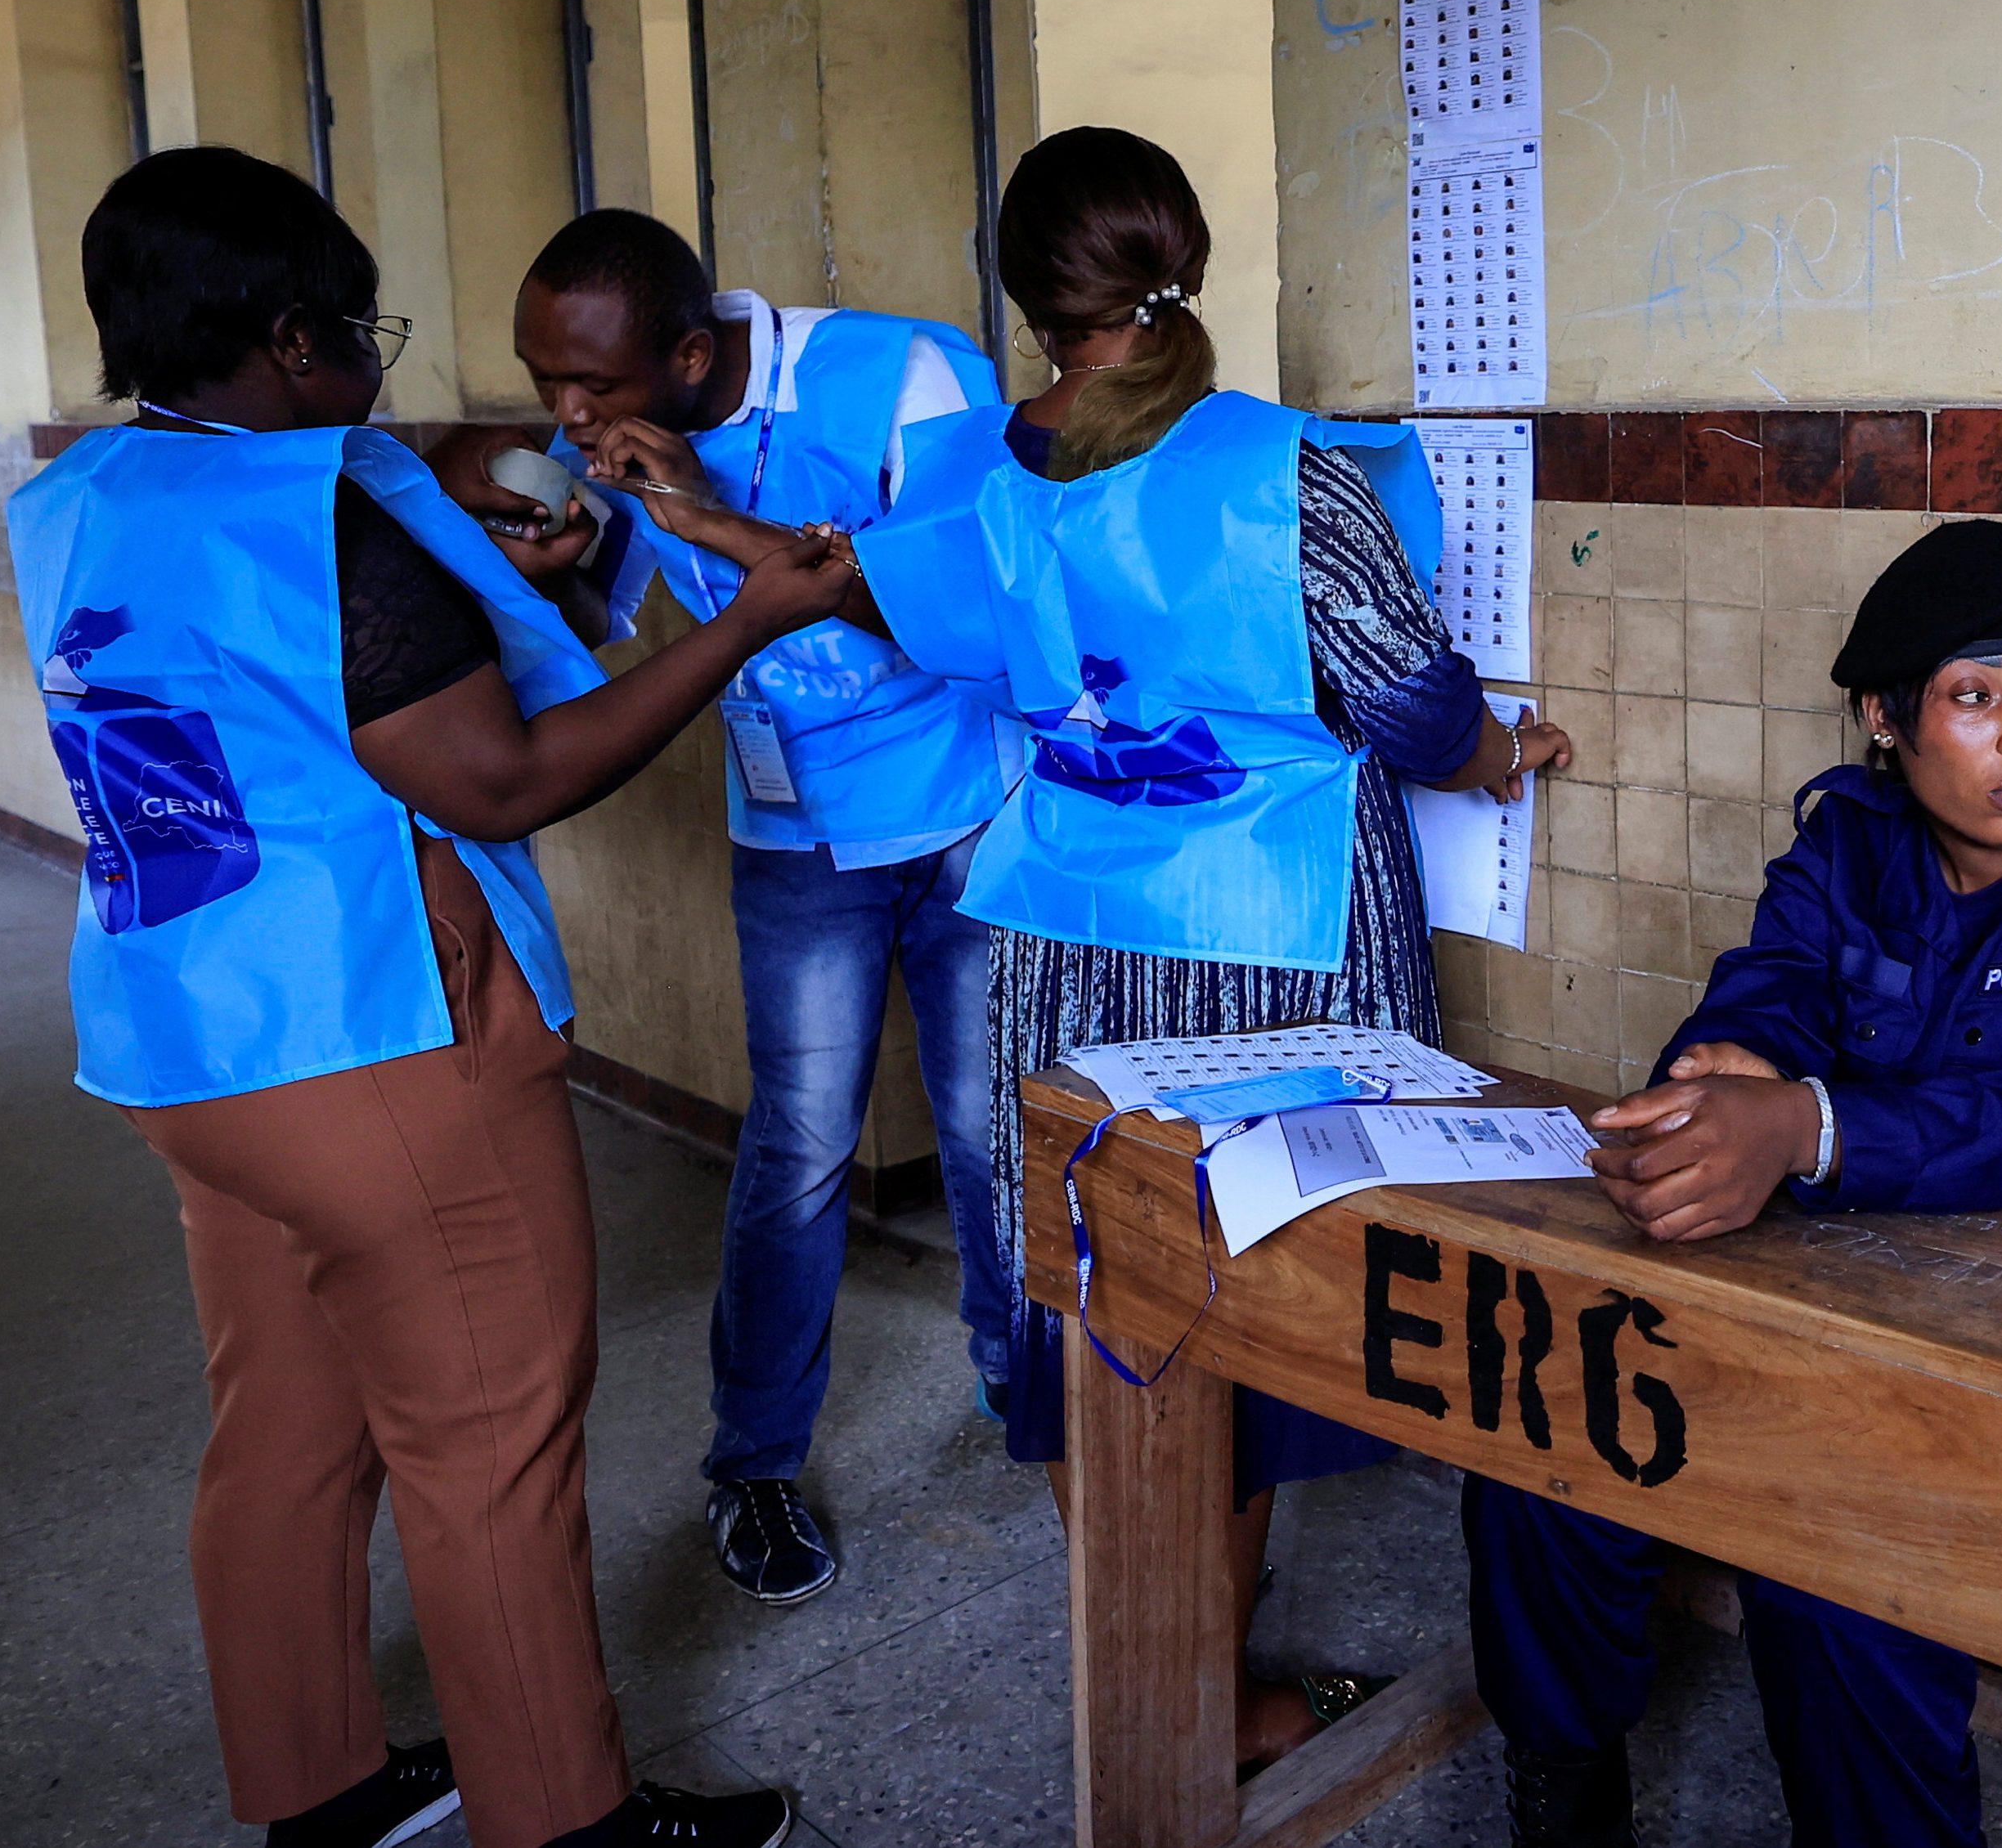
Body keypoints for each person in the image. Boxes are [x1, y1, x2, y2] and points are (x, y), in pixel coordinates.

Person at [644, 126, 1573, 1770]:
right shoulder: (1281, 472)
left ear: (1023, 297)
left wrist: (698, 527)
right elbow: (1417, 708)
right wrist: (1504, 756)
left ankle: (1146, 1677)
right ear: (1183, 258)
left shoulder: (973, 481)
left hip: (1063, 944)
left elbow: (867, 598)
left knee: (1091, 1293)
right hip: (1278, 945)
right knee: (1251, 1296)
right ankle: (1202, 1705)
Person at [8, 148, 854, 1848]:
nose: (370, 361)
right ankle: (565, 1821)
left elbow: (272, 696)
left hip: (194, 1040)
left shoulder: (86, 494)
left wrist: (498, 554)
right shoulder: (315, 517)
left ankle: (317, 1792)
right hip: (374, 1039)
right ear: (288, 336)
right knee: (489, 1446)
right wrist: (746, 624)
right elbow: (503, 778)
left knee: (283, 1430)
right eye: (357, 327)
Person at [1461, 519, 2002, 1848]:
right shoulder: (1850, 842)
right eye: (1976, 695)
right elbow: (1769, 987)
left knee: (1834, 1573)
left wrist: (1807, 1127)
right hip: (1877, 1319)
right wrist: (1723, 1070)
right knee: (1549, 1421)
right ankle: (1566, 1787)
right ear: (1885, 718)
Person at [430, 213, 1010, 1611]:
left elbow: (971, 606)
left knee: (992, 1129)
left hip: (970, 814)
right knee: (800, 1148)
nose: (569, 416)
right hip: (794, 833)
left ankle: (1029, 1390)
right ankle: (753, 1464)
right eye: (547, 383)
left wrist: (705, 516)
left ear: (692, 356)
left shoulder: (905, 376)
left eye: (592, 387)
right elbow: (590, 638)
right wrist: (559, 563)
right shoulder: (610, 437)